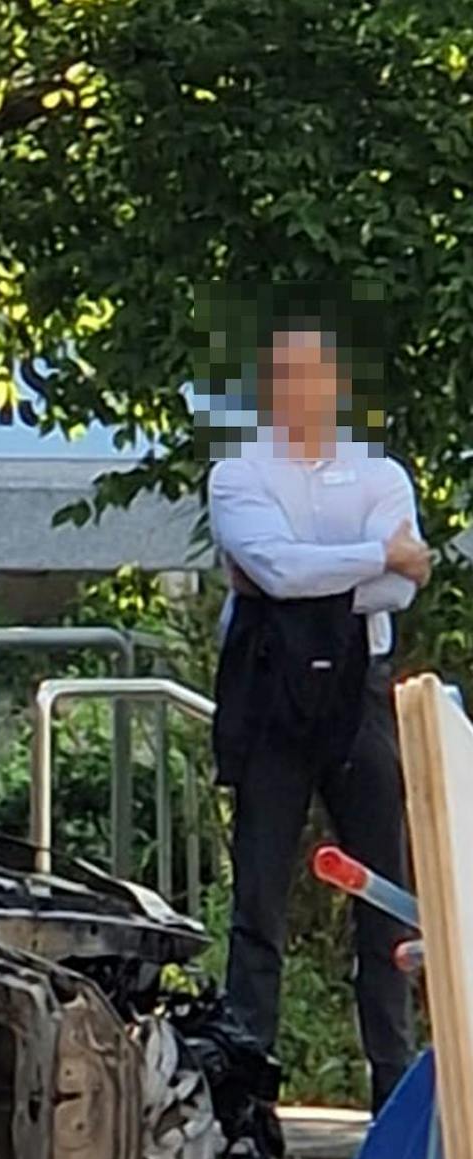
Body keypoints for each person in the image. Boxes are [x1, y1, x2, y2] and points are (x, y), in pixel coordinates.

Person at [208, 321, 431, 1115]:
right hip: (271, 696)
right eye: (285, 378)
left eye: (314, 377)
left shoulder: (381, 475)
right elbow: (270, 565)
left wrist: (300, 581)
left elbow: (393, 594)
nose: (301, 392)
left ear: (337, 387)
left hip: (359, 690)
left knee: (387, 894)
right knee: (259, 900)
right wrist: (375, 558)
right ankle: (246, 1100)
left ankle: (394, 1093)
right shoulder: (240, 474)